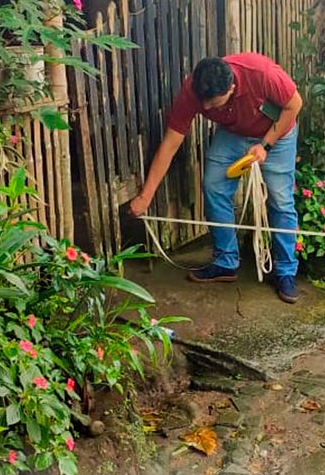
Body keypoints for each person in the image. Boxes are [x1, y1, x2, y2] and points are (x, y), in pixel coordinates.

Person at [129, 54, 303, 303]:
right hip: (233, 133)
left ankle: (285, 271)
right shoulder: (193, 90)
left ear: (231, 88)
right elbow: (170, 144)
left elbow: (294, 104)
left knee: (280, 199)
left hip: (277, 133)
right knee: (213, 185)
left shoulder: (262, 74)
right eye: (204, 104)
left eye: (214, 104)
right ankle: (225, 261)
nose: (207, 109)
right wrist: (145, 196)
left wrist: (265, 144)